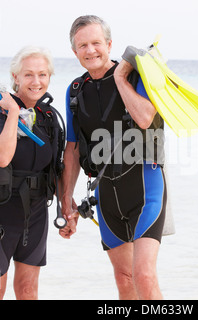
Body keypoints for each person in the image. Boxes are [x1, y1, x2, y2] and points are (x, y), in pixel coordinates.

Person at [59, 15, 167, 300]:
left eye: (96, 43)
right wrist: (66, 199)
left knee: (144, 274)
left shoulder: (135, 75)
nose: (90, 50)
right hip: (106, 193)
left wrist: (119, 77)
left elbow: (145, 117)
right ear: (74, 52)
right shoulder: (75, 91)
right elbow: (72, 149)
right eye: (83, 45)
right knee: (124, 278)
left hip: (145, 185)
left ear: (109, 44)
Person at [0, 46, 62, 300]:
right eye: (29, 74)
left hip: (35, 212)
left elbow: (57, 167)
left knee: (27, 290)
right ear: (15, 77)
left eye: (42, 75)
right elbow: (1, 157)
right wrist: (12, 112)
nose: (36, 81)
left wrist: (67, 207)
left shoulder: (48, 117)